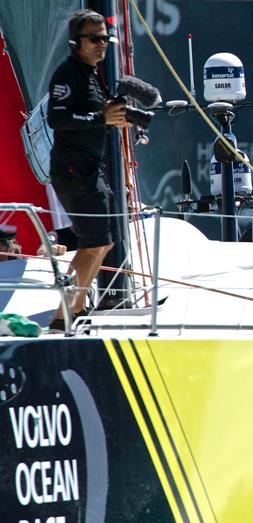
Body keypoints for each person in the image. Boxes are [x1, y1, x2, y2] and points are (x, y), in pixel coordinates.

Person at [46, 9, 129, 330]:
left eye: (105, 38)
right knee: (94, 241)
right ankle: (66, 312)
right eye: (94, 39)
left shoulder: (92, 73)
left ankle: (74, 307)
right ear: (75, 42)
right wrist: (100, 119)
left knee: (104, 241)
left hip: (92, 169)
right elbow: (58, 119)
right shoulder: (68, 73)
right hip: (73, 170)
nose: (101, 44)